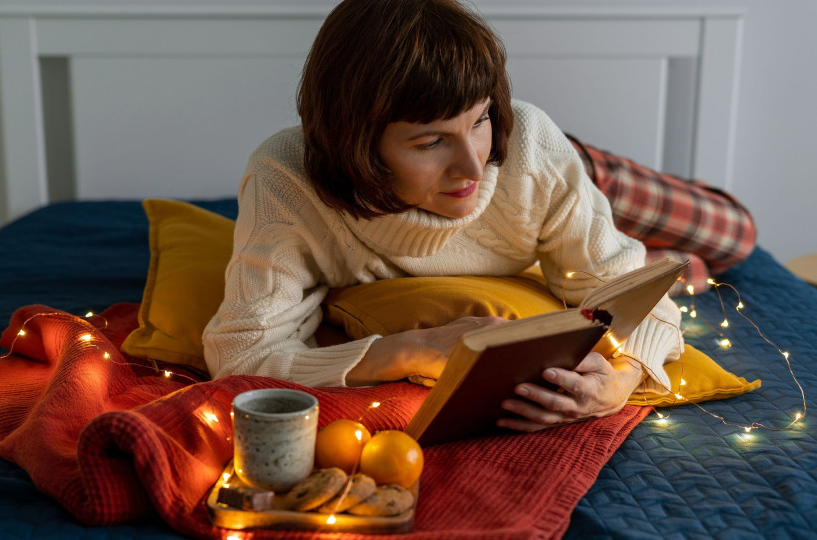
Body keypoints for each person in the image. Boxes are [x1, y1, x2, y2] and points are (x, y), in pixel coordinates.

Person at [204, 0, 688, 432]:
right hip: (542, 208)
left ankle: (674, 252)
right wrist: (415, 348)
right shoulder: (284, 178)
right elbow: (243, 354)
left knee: (734, 236)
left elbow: (644, 300)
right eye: (430, 141)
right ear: (357, 145)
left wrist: (622, 381)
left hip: (565, 168)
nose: (472, 167)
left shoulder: (524, 147)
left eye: (479, 119)